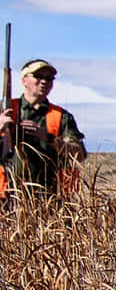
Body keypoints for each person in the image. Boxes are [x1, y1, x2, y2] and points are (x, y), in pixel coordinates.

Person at [2, 58, 87, 200]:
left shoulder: (62, 116)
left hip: (50, 197)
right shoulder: (5, 109)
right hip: (7, 194)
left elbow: (79, 155)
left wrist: (49, 139)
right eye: (38, 76)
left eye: (49, 78)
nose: (44, 81)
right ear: (24, 80)